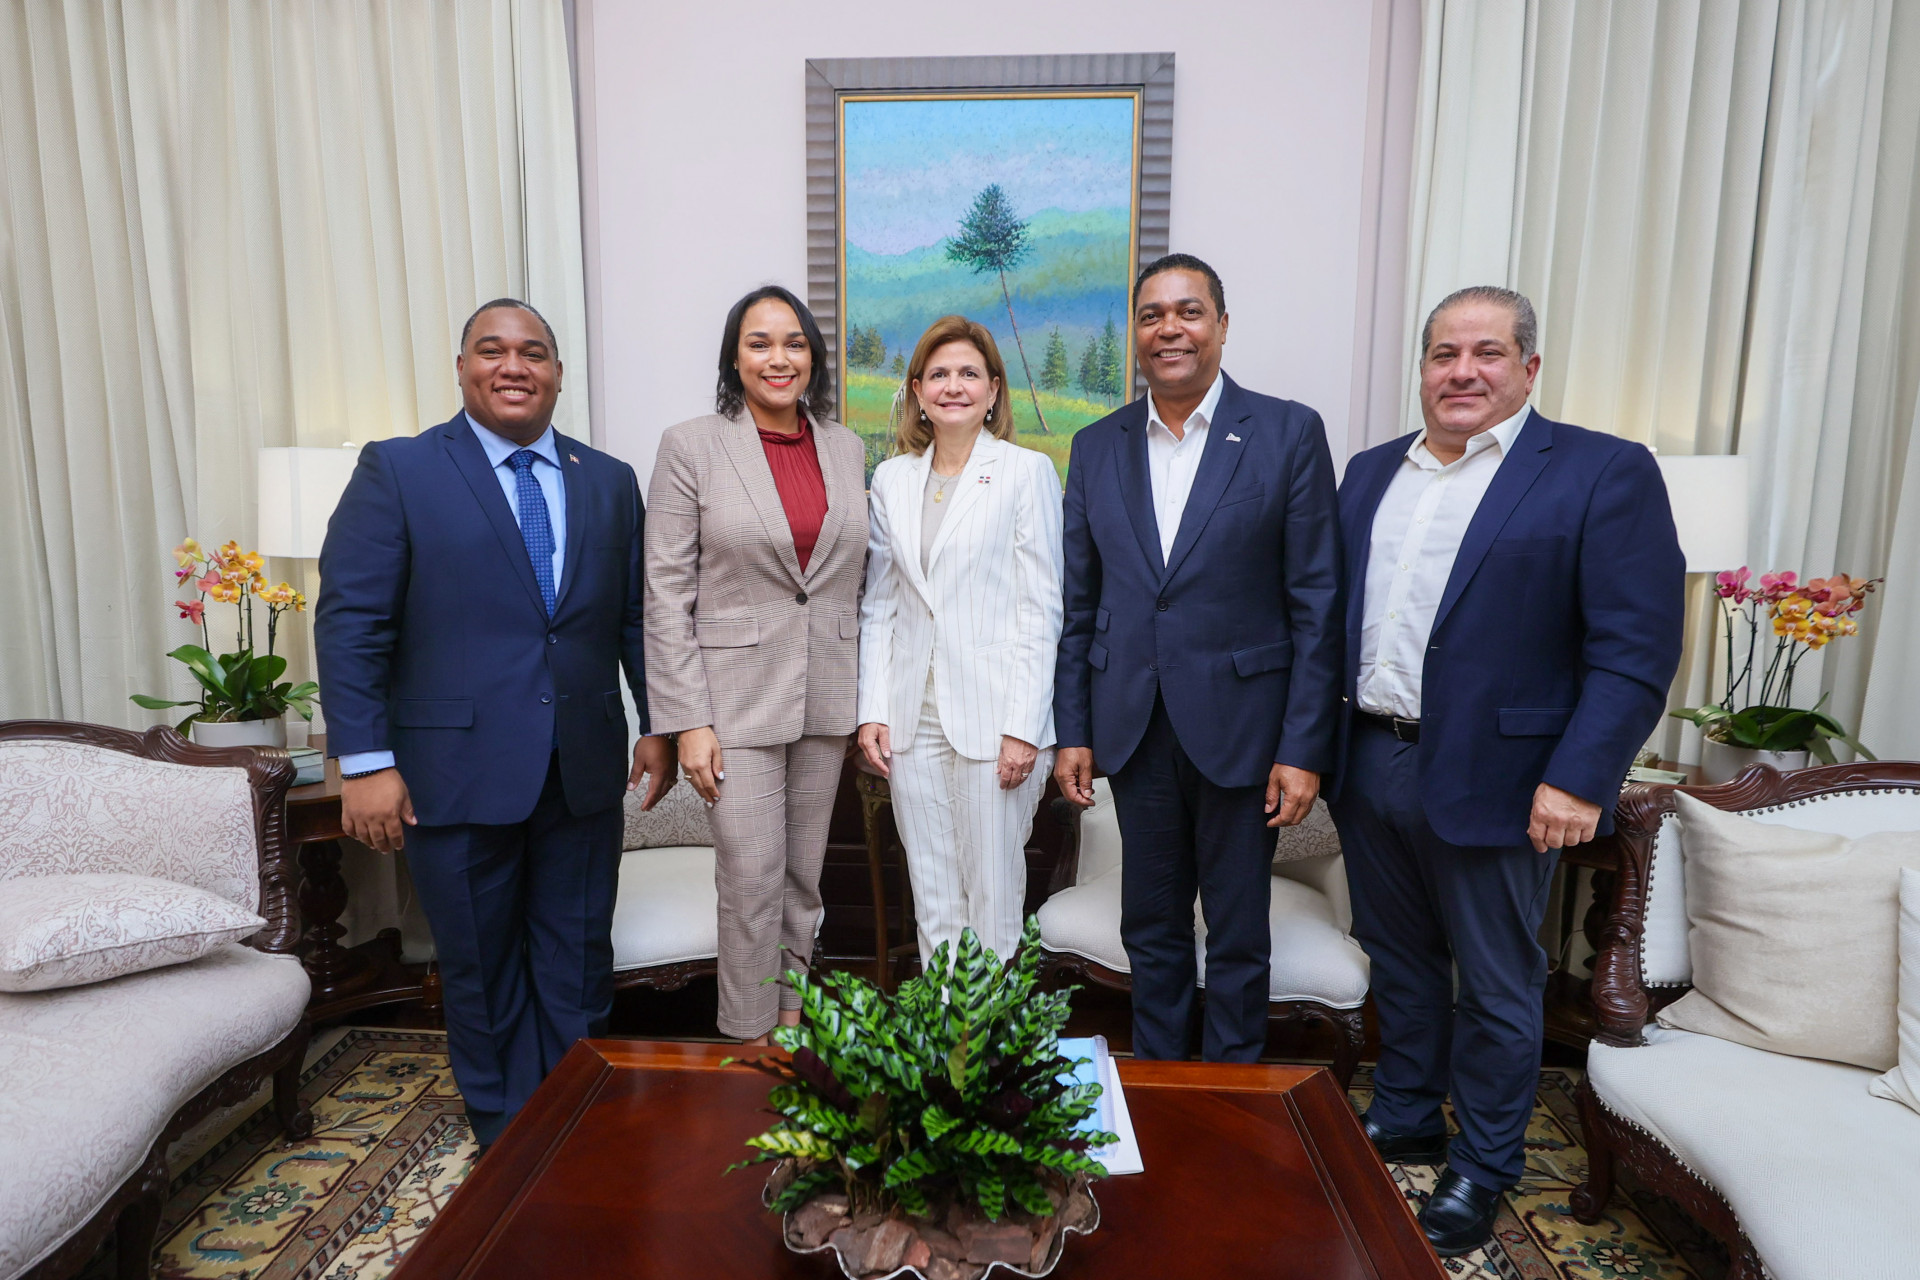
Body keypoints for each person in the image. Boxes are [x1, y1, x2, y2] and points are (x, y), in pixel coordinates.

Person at [1332, 285, 1684, 1256]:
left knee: (1494, 979)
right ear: (1422, 368)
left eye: (1486, 352)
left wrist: (1581, 776)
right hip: (1370, 756)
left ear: (1528, 368)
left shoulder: (1600, 471)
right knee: (1398, 956)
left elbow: (1635, 648)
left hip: (1506, 777)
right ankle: (1406, 1112)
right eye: (1444, 353)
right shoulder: (1370, 473)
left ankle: (1484, 1163)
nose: (1462, 371)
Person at [316, 298, 676, 1148]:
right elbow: (352, 623)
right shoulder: (399, 469)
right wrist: (365, 762)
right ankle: (508, 1138)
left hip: (582, 768)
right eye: (492, 350)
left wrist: (657, 724)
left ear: (558, 373)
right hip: (454, 772)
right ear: (462, 368)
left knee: (578, 958)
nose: (514, 366)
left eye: (533, 352)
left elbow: (635, 620)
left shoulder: (608, 480)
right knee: (481, 965)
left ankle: (574, 1123)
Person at [1053, 253, 1343, 1063]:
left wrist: (1303, 747)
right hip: (1134, 726)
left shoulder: (1287, 433)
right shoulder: (1097, 445)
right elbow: (1080, 606)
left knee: (1239, 932)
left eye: (1188, 311)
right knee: (1150, 925)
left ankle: (1233, 1098)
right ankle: (1162, 1090)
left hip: (1247, 731)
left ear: (1221, 325)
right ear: (1135, 334)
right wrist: (1074, 730)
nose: (1169, 329)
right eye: (1151, 315)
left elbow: (1318, 603)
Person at [645, 285, 868, 1043]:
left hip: (826, 696)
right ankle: (748, 1046)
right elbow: (665, 589)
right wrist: (687, 721)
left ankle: (791, 1027)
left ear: (813, 357)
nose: (779, 358)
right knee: (750, 881)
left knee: (803, 881)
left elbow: (849, 579)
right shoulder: (692, 445)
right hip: (731, 705)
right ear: (734, 359)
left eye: (794, 342)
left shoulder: (846, 447)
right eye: (760, 342)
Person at [857, 316, 1064, 965]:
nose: (954, 386)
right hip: (911, 722)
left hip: (996, 721)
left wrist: (1024, 727)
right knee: (935, 898)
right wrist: (873, 709)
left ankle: (991, 1035)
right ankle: (945, 1032)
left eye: (969, 373)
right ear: (918, 390)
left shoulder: (1027, 473)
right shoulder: (891, 479)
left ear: (994, 389)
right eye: (939, 374)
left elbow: (1042, 609)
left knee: (992, 900)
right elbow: (880, 603)